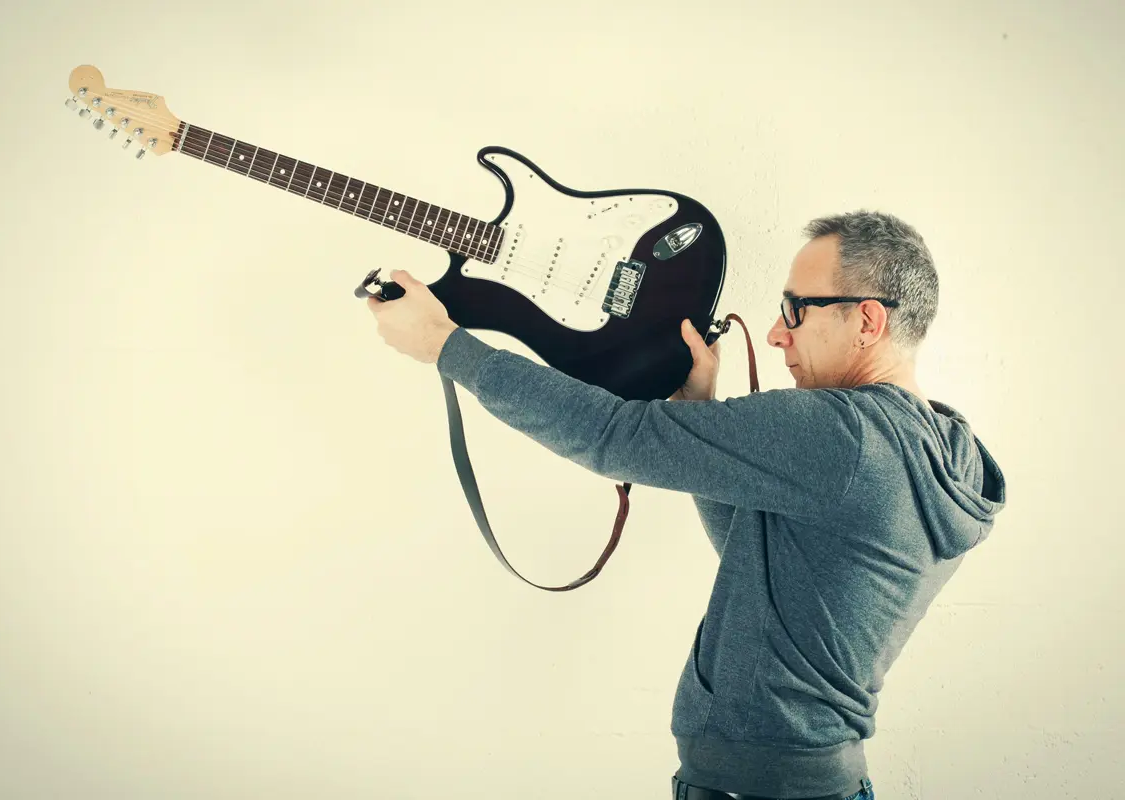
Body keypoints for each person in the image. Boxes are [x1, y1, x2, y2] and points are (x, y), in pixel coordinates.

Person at [367, 209, 1007, 800]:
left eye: (796, 309)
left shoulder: (845, 435)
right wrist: (697, 412)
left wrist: (447, 345)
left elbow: (611, 435)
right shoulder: (941, 444)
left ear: (868, 320)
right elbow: (757, 561)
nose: (776, 334)